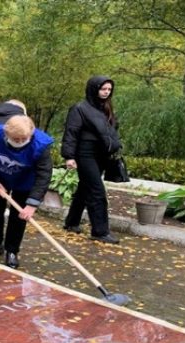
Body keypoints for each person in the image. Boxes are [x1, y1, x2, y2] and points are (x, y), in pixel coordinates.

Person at [0, 115, 54, 268]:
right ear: (6, 134)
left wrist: (32, 204)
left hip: (25, 181)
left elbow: (44, 175)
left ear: (31, 133)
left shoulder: (40, 145)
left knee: (19, 217)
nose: (19, 142)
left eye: (23, 139)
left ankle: (12, 251)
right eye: (15, 139)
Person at [61, 76, 122, 244]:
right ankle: (100, 231)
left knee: (85, 187)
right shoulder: (80, 108)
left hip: (102, 154)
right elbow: (71, 133)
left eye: (109, 89)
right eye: (103, 89)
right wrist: (69, 156)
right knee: (97, 191)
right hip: (85, 153)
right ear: (94, 88)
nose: (106, 92)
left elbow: (111, 130)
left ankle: (71, 222)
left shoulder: (107, 108)